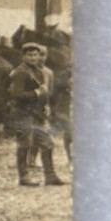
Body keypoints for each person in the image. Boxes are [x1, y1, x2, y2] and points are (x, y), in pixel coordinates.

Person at [6, 42, 65, 187]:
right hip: (22, 114)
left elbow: (44, 93)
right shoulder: (21, 72)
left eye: (35, 55)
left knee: (47, 144)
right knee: (24, 144)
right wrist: (36, 93)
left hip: (36, 114)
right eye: (30, 55)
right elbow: (16, 95)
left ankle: (50, 176)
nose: (33, 58)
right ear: (24, 56)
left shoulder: (37, 71)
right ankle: (23, 177)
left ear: (39, 56)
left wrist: (44, 106)